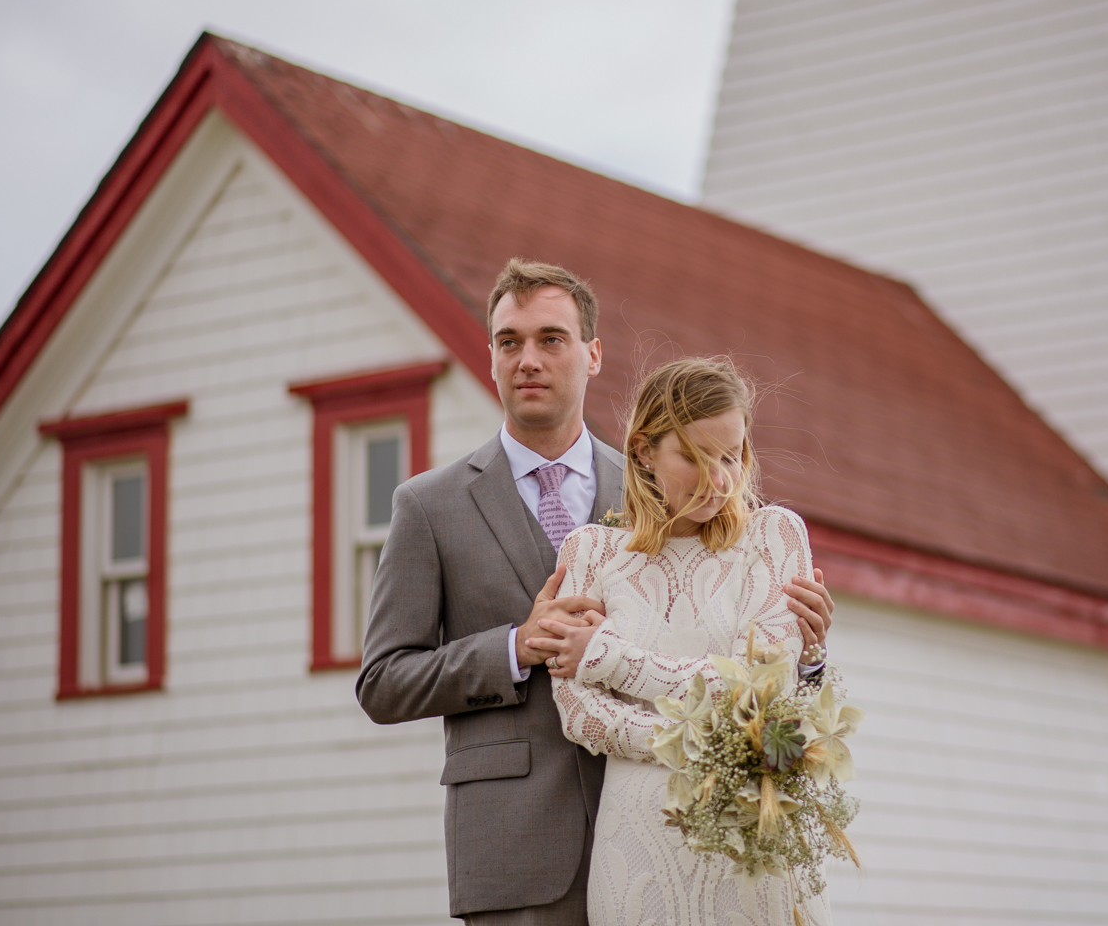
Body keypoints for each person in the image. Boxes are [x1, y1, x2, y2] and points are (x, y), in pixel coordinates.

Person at [356, 260, 834, 923]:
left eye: (551, 338)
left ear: (593, 354)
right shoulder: (427, 506)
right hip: (515, 852)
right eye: (508, 341)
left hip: (686, 839)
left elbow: (757, 673)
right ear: (490, 358)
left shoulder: (668, 479)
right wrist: (515, 647)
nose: (528, 359)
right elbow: (382, 681)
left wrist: (809, 661)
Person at [528, 356, 832, 926]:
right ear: (644, 450)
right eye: (695, 456)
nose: (720, 479)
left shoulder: (775, 536)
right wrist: (713, 744)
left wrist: (609, 658)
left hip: (752, 848)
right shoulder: (589, 553)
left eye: (732, 456)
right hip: (637, 848)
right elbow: (578, 713)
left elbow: (761, 694)